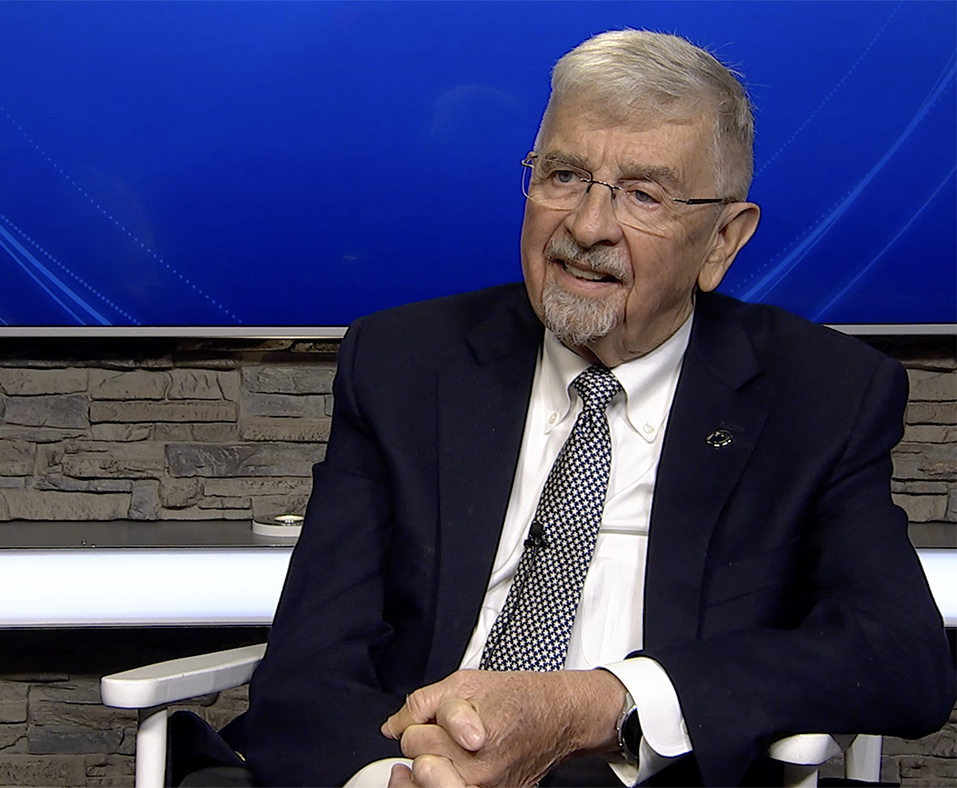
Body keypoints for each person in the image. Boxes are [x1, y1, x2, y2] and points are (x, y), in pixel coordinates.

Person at [174, 29, 955, 788]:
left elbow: (900, 658)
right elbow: (311, 667)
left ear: (722, 241)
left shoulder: (819, 394)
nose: (586, 227)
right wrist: (397, 779)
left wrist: (604, 701)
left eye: (643, 195)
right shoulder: (406, 365)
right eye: (563, 176)